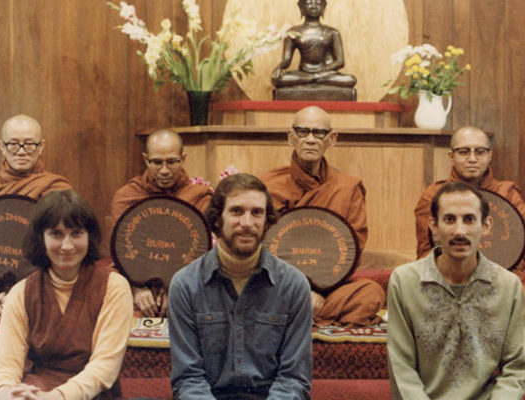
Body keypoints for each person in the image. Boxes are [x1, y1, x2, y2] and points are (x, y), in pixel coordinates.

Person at [167, 173, 312, 399]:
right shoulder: (185, 284)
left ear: (267, 220)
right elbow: (188, 379)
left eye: (257, 213)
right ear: (217, 218)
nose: (247, 223)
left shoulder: (293, 285)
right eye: (236, 211)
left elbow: (293, 379)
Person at [388, 181, 525, 400]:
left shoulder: (508, 286)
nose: (459, 231)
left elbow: (516, 367)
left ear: (486, 226)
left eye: (469, 219)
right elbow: (401, 367)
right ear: (433, 225)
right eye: (449, 219)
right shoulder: (405, 282)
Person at [414, 125, 525, 329]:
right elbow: (425, 252)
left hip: (498, 284)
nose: (472, 158)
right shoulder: (434, 194)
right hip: (448, 284)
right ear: (451, 156)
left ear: (489, 156)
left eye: (480, 151)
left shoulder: (508, 194)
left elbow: (520, 251)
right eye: (464, 151)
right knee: (413, 295)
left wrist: (495, 283)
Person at [0, 190, 132, 399]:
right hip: (34, 392)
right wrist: (8, 392)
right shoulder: (21, 292)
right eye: (56, 234)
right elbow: (5, 366)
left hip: (94, 394)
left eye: (76, 233)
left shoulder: (114, 287)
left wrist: (57, 397)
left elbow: (104, 367)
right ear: (41, 239)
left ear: (90, 236)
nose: (67, 246)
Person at [261, 106, 385, 327]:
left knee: (370, 293)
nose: (310, 139)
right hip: (280, 283)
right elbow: (261, 245)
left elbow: (352, 247)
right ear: (291, 137)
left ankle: (301, 314)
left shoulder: (347, 187)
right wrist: (301, 290)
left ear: (332, 139)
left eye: (318, 133)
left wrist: (320, 290)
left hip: (331, 285)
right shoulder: (268, 185)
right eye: (303, 132)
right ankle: (311, 311)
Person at [110, 128, 213, 318]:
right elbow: (121, 253)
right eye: (157, 162)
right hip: (137, 288)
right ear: (145, 159)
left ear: (183, 158)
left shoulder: (199, 198)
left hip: (187, 288)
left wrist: (176, 288)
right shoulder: (128, 197)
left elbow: (201, 254)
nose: (164, 170)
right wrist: (136, 288)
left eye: (172, 162)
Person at [0, 114, 73, 324]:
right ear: (2, 147)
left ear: (41, 147)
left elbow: (62, 250)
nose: (21, 152)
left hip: (39, 287)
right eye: (13, 144)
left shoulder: (57, 190)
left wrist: (18, 293)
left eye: (29, 144)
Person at [271, 0, 356, 89]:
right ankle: (313, 78)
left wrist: (323, 70)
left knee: (350, 79)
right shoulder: (293, 32)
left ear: (324, 7)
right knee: (278, 79)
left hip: (325, 72)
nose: (313, 6)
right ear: (301, 7)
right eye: (308, 3)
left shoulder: (332, 33)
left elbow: (340, 61)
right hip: (303, 73)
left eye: (318, 3)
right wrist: (279, 67)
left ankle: (312, 78)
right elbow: (287, 59)